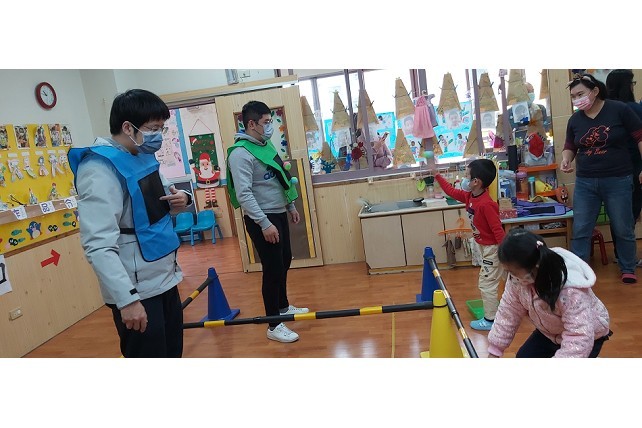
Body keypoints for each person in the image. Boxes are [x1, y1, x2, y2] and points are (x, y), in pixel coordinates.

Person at [68, 89, 192, 357]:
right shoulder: (99, 169)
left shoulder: (141, 154)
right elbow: (98, 245)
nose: (159, 135)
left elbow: (162, 196)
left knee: (172, 354)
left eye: (161, 128)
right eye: (153, 128)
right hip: (138, 291)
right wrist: (127, 300)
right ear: (128, 127)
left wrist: (184, 197)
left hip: (165, 278)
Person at [226, 100, 308, 343]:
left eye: (270, 121)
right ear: (251, 124)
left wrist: (290, 205)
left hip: (278, 211)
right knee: (272, 269)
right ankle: (273, 325)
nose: (270, 126)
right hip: (262, 218)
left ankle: (282, 306)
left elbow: (279, 178)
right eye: (266, 122)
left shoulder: (265, 145)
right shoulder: (240, 154)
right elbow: (244, 194)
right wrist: (264, 223)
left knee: (284, 260)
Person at [561, 73, 642, 284]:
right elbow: (570, 145)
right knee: (581, 229)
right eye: (573, 96)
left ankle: (627, 267)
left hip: (618, 179)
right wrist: (566, 159)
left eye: (580, 94)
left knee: (623, 227)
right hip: (585, 182)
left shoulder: (619, 109)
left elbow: (639, 137)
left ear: (595, 91)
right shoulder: (575, 120)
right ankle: (578, 272)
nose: (577, 99)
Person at [487, 228, 611, 358]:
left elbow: (580, 335)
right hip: (550, 332)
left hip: (587, 334)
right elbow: (508, 311)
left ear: (534, 266)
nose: (509, 275)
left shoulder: (569, 291)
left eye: (512, 271)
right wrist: (495, 349)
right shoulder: (517, 280)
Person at [435, 159, 505, 331]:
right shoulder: (470, 196)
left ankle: (490, 320)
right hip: (484, 247)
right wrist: (437, 175)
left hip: (493, 249)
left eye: (466, 175)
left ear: (476, 182)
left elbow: (498, 230)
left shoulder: (487, 204)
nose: (463, 179)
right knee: (503, 279)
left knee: (486, 283)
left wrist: (505, 252)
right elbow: (451, 191)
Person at [605, 69, 642, 267]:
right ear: (626, 86)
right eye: (632, 83)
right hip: (634, 166)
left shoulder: (605, 110)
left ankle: (621, 254)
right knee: (629, 213)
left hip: (612, 169)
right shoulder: (633, 108)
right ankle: (627, 258)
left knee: (618, 213)